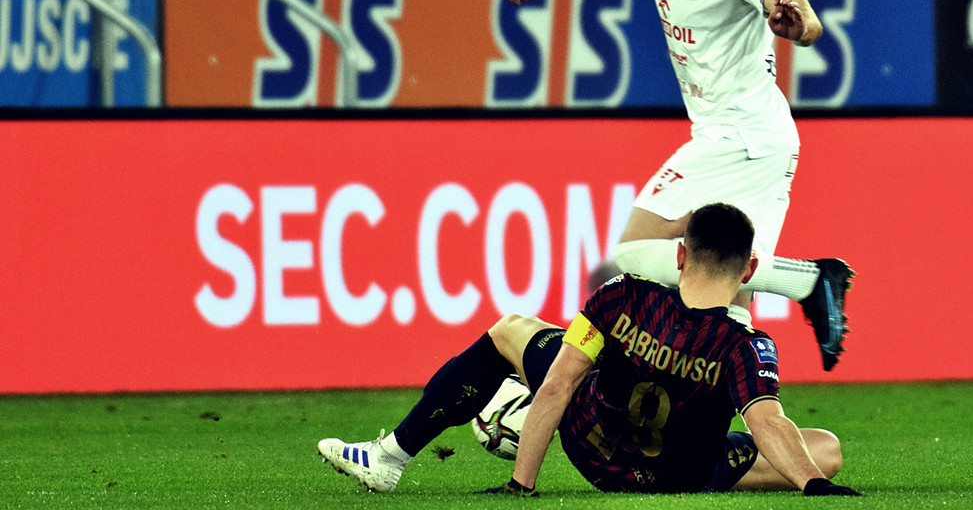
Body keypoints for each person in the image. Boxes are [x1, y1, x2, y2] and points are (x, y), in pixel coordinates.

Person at [503, 0, 853, 371]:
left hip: (741, 137)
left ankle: (809, 280)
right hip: (750, 137)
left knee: (632, 257)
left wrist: (800, 24)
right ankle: (744, 414)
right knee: (728, 307)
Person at [318, 203, 861, 497]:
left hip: (594, 447)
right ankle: (511, 408)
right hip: (684, 474)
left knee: (510, 330)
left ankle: (391, 457)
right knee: (826, 451)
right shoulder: (746, 345)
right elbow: (767, 421)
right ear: (749, 271)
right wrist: (814, 485)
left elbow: (559, 384)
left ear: (678, 256)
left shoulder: (620, 296)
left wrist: (521, 486)